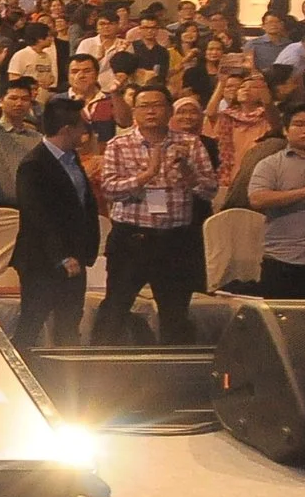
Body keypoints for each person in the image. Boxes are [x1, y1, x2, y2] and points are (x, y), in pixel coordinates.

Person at [93, 84, 217, 345]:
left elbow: (209, 190)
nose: (151, 111)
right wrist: (146, 175)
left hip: (175, 240)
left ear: (169, 110)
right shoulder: (119, 144)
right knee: (115, 307)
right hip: (132, 238)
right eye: (144, 106)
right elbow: (109, 189)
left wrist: (187, 171)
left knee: (175, 313)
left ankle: (175, 377)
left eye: (157, 105)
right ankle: (100, 368)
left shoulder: (190, 144)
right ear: (134, 111)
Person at [10, 100, 102, 349]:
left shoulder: (72, 159)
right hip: (42, 261)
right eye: (80, 127)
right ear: (66, 129)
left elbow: (84, 205)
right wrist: (61, 255)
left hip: (76, 255)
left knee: (69, 325)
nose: (84, 132)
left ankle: (66, 380)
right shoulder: (34, 164)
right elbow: (37, 216)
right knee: (31, 323)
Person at [245, 103, 305, 299]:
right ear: (286, 130)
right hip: (284, 260)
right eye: (299, 124)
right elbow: (257, 199)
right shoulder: (271, 164)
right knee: (283, 326)